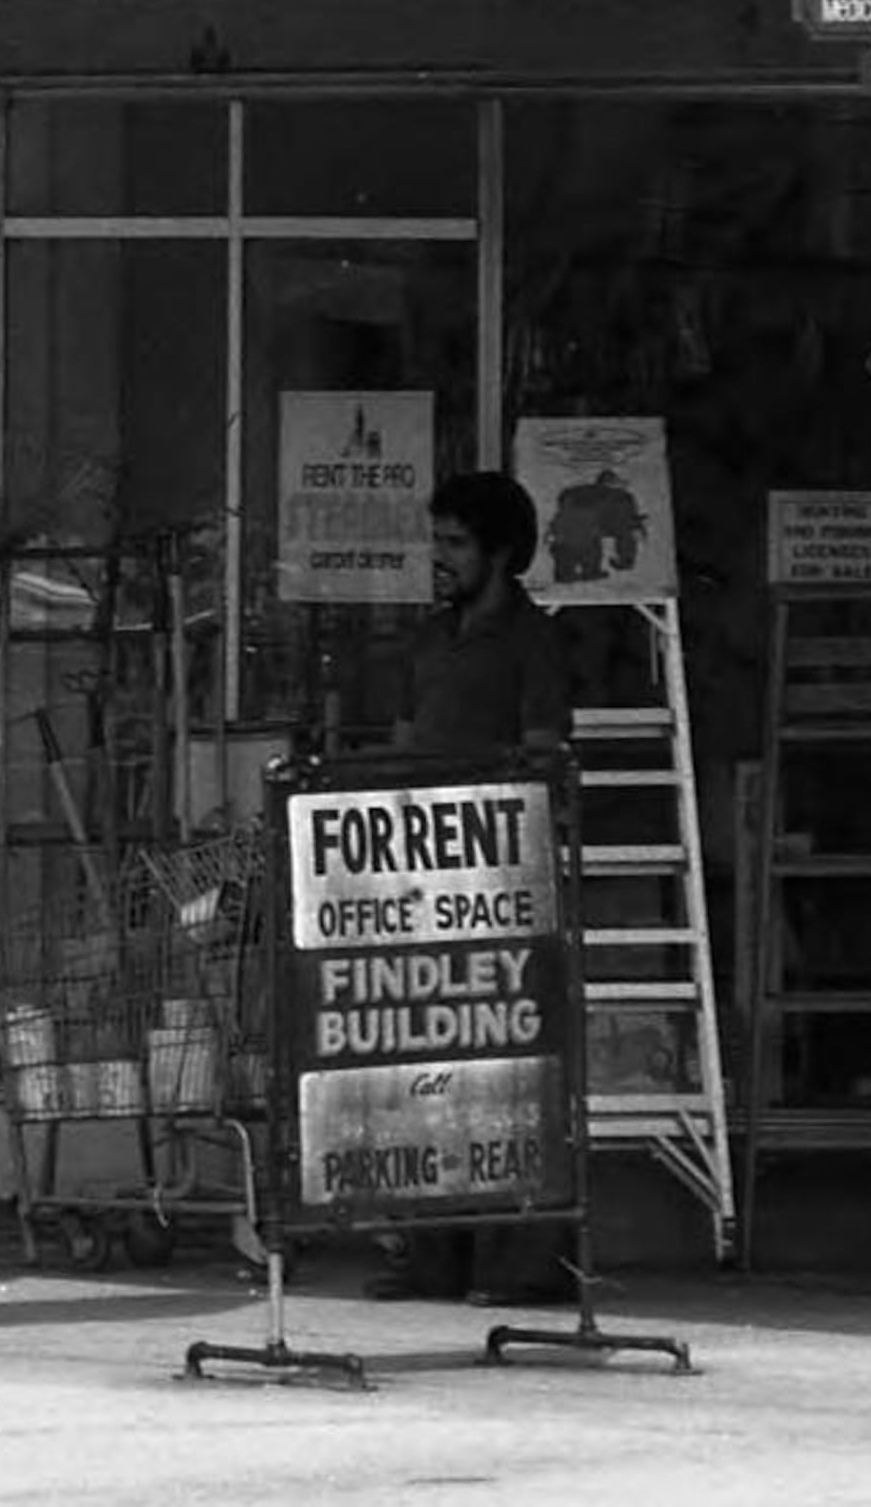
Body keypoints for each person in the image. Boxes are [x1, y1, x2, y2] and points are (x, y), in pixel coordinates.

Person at [365, 469, 580, 1308]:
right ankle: (431, 1255)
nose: (439, 557)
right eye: (436, 540)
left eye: (455, 543)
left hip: (497, 877)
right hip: (418, 879)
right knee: (425, 1064)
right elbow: (402, 742)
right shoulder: (427, 639)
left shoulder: (534, 641)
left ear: (500, 552)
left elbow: (541, 755)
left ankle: (522, 1264)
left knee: (508, 1073)